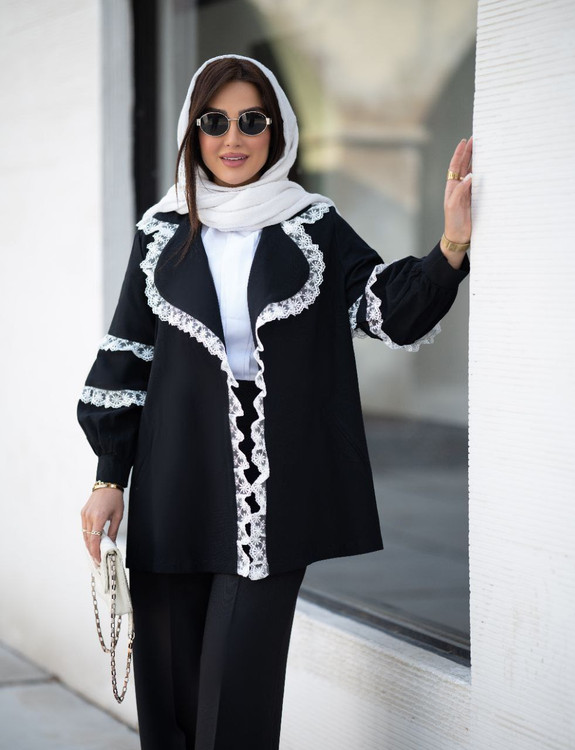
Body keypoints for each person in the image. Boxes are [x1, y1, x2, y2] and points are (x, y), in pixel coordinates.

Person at [78, 53, 472, 750]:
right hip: (177, 481)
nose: (233, 138)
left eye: (251, 121)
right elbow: (126, 356)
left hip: (274, 493)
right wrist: (110, 478)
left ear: (277, 131)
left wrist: (450, 245)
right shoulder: (160, 233)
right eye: (214, 122)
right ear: (193, 132)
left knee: (240, 695)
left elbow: (387, 310)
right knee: (169, 693)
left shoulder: (311, 225)